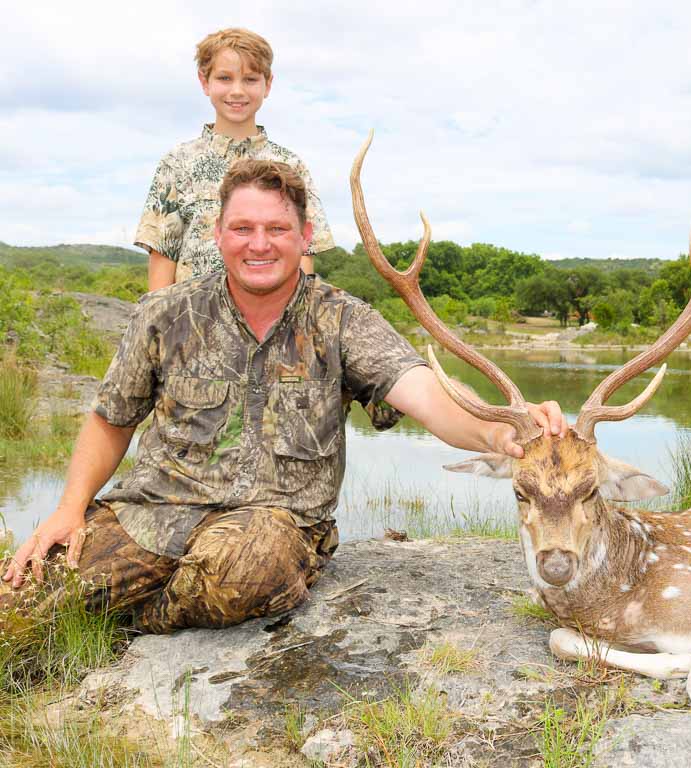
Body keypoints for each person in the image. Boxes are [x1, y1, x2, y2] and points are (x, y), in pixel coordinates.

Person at [1, 159, 565, 632]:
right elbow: (110, 422)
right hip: (152, 516)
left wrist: (500, 430)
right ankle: (117, 618)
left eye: (276, 229)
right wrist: (69, 510)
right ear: (218, 235)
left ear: (305, 237)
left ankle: (122, 623)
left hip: (273, 526)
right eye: (243, 228)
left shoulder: (342, 319)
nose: (259, 244)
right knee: (17, 604)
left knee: (245, 572)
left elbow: (425, 393)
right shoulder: (164, 313)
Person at [136, 28, 334, 291]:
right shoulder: (178, 163)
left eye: (250, 79)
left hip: (272, 326)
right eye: (225, 78)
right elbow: (163, 258)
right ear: (204, 82)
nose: (237, 91)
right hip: (193, 325)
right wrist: (158, 327)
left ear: (268, 84)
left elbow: (303, 255)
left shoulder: (291, 165)